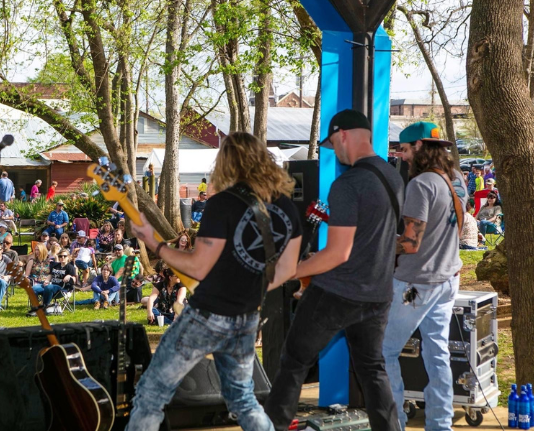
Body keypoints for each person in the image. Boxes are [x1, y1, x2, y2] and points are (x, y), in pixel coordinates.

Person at [127, 131, 302, 431]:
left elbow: (198, 266)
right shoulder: (286, 207)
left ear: (226, 163)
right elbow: (288, 270)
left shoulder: (223, 203)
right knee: (243, 399)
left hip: (207, 315)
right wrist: (250, 289)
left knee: (151, 395)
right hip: (247, 317)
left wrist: (154, 243)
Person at [264, 110, 402, 431]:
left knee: (294, 362)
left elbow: (338, 252)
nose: (334, 151)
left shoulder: (347, 184)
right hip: (378, 294)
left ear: (343, 135)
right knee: (372, 369)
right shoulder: (392, 176)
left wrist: (294, 270)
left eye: (332, 143)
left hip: (338, 293)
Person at [381, 122, 467, 431]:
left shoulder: (420, 185)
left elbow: (411, 244)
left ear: (419, 147)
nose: (402, 157)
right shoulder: (457, 180)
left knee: (383, 352)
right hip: (447, 280)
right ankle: (440, 425)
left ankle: (395, 423)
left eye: (404, 150)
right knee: (437, 354)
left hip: (415, 285)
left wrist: (377, 244)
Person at [26, 244, 56, 312]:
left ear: (43, 251)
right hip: (36, 283)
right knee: (34, 289)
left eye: (38, 250)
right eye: (35, 250)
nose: (36, 251)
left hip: (48, 283)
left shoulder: (50, 262)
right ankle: (36, 307)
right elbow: (26, 275)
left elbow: (52, 273)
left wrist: (48, 280)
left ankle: (45, 306)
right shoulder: (32, 261)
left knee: (49, 288)